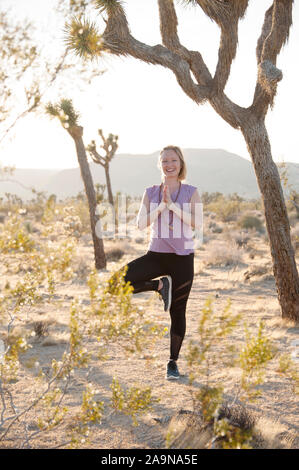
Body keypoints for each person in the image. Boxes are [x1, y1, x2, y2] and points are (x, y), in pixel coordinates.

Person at [114, 146, 201, 380]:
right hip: (156, 255)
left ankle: (172, 362)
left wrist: (173, 206)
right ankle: (159, 286)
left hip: (182, 259)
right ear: (159, 164)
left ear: (181, 164)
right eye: (164, 160)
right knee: (115, 284)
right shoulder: (150, 192)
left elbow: (198, 223)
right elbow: (141, 224)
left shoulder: (191, 191)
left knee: (178, 311)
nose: (169, 164)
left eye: (173, 160)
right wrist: (161, 206)